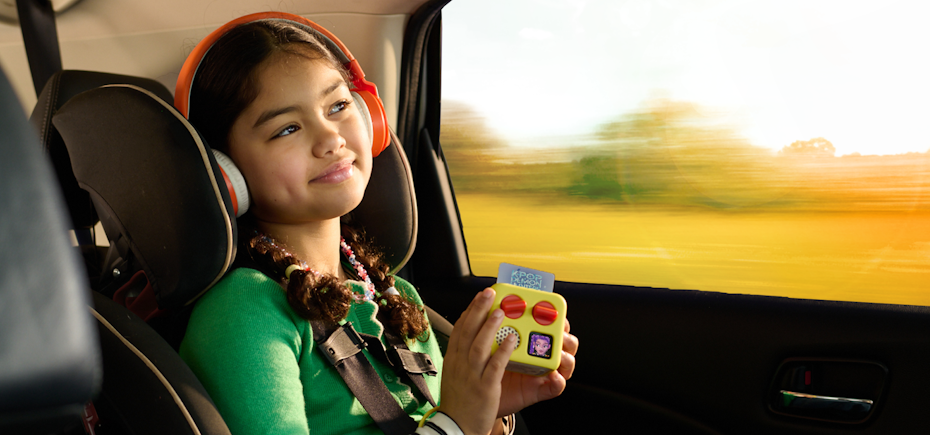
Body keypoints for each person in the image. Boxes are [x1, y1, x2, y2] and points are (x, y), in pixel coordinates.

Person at [176, 12, 578, 435]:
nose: (331, 137)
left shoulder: (394, 295)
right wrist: (457, 422)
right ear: (223, 170)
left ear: (371, 119)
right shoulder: (244, 311)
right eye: (287, 128)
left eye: (338, 105)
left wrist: (490, 411)